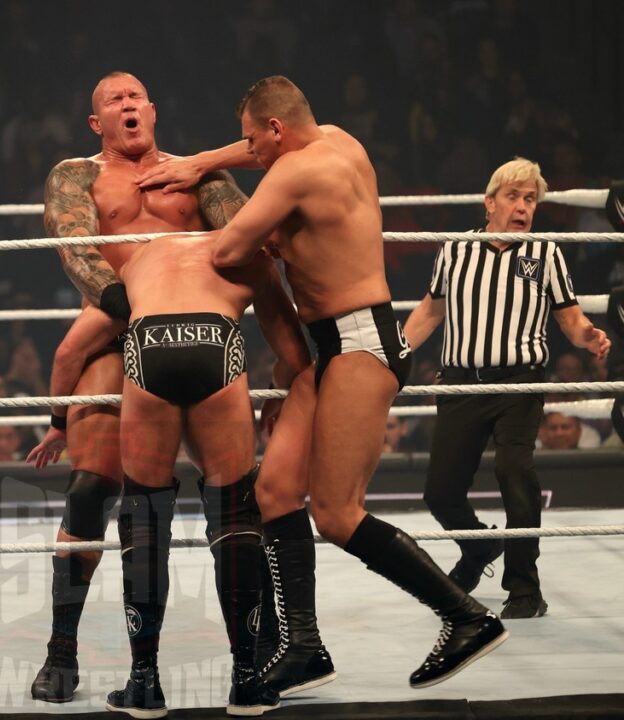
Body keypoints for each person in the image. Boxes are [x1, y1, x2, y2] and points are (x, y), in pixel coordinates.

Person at [142, 75, 507, 692]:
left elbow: (229, 250)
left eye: (254, 140)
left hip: (362, 344)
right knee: (276, 490)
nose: (250, 152)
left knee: (337, 514)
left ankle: (466, 616)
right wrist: (207, 160)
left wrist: (166, 253)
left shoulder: (292, 174)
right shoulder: (340, 140)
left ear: (278, 130)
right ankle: (304, 647)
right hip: (330, 348)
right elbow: (260, 154)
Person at [32, 70, 249, 703]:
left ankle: (255, 655)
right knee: (91, 486)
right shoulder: (77, 174)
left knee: (234, 494)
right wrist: (136, 303)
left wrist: (204, 300)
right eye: (112, 102)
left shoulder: (197, 173)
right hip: (118, 324)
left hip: (196, 332)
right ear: (96, 122)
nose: (127, 106)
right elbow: (76, 247)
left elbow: (242, 236)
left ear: (153, 111)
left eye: (135, 98)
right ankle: (61, 652)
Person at [29, 231, 310, 716]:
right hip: (215, 337)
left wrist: (58, 423)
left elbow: (67, 353)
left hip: (150, 341)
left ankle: (144, 684)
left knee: (144, 515)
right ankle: (246, 681)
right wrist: (277, 394)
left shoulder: (137, 261)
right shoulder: (245, 256)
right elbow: (294, 354)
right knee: (234, 513)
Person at [404, 158, 611, 618]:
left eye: (531, 199)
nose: (523, 207)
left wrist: (588, 336)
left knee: (515, 472)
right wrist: (393, 354)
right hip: (460, 385)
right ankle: (480, 548)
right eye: (514, 197)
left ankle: (525, 589)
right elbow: (430, 312)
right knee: (440, 492)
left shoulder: (547, 254)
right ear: (490, 202)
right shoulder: (455, 251)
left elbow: (570, 319)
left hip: (520, 383)